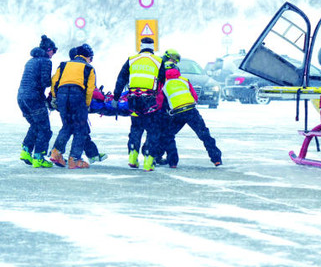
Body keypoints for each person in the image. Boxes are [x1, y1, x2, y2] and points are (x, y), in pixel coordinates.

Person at [148, 61, 222, 171]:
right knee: (204, 134)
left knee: (168, 135)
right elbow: (195, 97)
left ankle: (172, 161)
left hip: (176, 113)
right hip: (191, 110)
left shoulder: (162, 83)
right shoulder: (185, 80)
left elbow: (160, 102)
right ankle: (216, 158)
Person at [48, 47, 107, 167]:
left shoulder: (64, 65)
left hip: (62, 95)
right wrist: (86, 105)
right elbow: (90, 89)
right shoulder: (89, 68)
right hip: (77, 95)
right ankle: (74, 160)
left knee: (67, 125)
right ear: (87, 57)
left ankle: (56, 153)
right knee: (80, 129)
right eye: (91, 58)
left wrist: (55, 97)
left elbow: (54, 81)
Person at [112, 37, 164, 168]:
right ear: (153, 47)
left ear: (140, 46)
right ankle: (148, 161)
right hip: (149, 101)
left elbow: (121, 79)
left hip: (134, 100)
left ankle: (133, 157)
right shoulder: (158, 61)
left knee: (136, 128)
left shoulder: (131, 60)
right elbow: (162, 81)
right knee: (153, 130)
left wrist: (116, 97)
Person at [17, 35, 58, 168]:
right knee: (45, 129)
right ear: (48, 49)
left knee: (35, 125)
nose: (54, 54)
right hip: (34, 98)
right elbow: (45, 82)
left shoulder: (31, 61)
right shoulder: (45, 61)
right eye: (54, 50)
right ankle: (39, 157)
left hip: (21, 97)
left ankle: (26, 151)